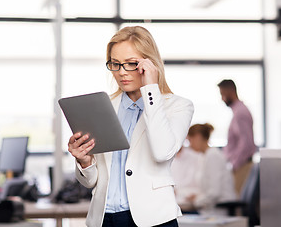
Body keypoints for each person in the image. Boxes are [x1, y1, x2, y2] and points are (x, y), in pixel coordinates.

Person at [67, 26, 194, 227]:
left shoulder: (177, 106)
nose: (122, 73)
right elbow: (90, 182)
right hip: (104, 219)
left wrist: (150, 89)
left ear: (151, 63)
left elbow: (163, 152)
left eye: (131, 64)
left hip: (153, 220)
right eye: (115, 64)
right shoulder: (104, 106)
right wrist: (84, 162)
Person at [217, 79, 257, 195]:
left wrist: (234, 165)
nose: (222, 99)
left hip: (241, 166)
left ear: (230, 92)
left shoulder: (241, 113)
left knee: (238, 204)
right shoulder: (238, 111)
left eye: (222, 94)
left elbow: (246, 144)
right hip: (240, 165)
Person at [187, 124, 236, 214]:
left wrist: (196, 201)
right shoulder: (204, 156)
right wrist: (198, 196)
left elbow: (214, 192)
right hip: (210, 207)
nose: (189, 145)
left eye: (190, 140)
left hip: (219, 209)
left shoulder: (213, 156)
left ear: (198, 137)